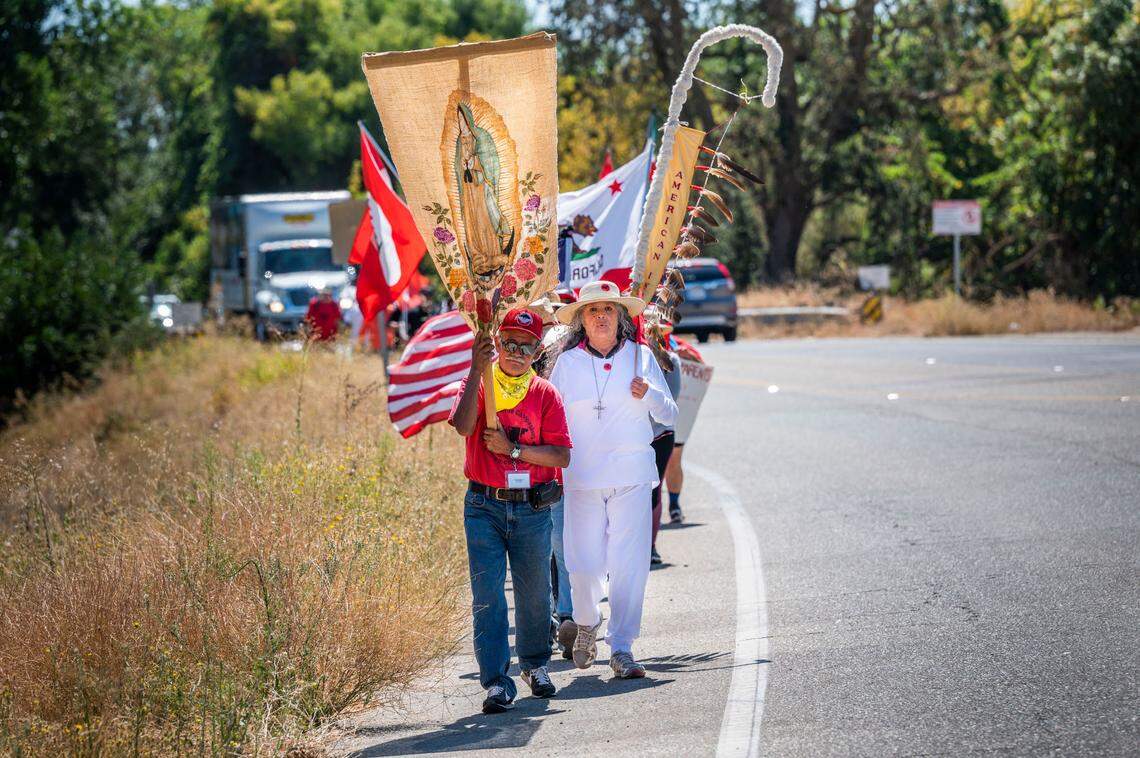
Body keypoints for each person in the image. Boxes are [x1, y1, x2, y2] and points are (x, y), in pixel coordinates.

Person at [546, 280, 678, 679]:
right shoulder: (567, 365)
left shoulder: (640, 357)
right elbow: (548, 414)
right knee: (582, 564)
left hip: (632, 477)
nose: (601, 316)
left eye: (608, 309)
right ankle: (587, 622)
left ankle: (622, 647)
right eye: (592, 310)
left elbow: (670, 415)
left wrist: (650, 393)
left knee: (629, 565)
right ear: (581, 321)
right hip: (581, 479)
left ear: (621, 317)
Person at [449, 308, 572, 714]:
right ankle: (497, 682)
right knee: (488, 597)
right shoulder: (481, 384)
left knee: (535, 594)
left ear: (538, 351)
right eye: (509, 344)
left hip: (533, 508)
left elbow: (561, 456)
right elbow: (464, 427)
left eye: (526, 346)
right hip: (483, 505)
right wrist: (474, 366)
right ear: (497, 344)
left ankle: (535, 665)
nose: (516, 352)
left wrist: (513, 449)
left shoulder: (545, 394)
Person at [646, 311, 682, 565]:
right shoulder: (630, 358)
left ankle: (651, 546)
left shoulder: (671, 360)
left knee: (654, 489)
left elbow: (673, 398)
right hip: (634, 436)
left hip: (660, 434)